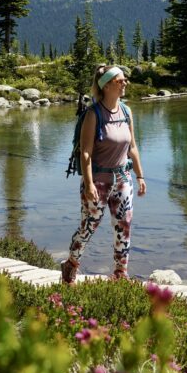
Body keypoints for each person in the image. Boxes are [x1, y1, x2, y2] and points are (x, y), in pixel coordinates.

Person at [61, 64, 146, 283]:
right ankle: (71, 264)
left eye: (125, 80)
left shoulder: (126, 112)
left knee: (123, 226)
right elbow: (86, 152)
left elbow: (133, 147)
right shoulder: (93, 114)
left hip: (123, 180)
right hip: (98, 181)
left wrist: (140, 176)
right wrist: (89, 184)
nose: (125, 83)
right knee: (89, 226)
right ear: (107, 86)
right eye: (120, 81)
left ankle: (120, 274)